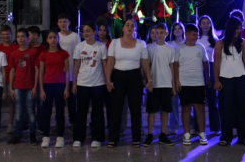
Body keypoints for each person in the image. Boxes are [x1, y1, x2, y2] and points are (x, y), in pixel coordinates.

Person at [106, 19, 152, 148]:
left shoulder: (141, 43)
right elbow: (110, 62)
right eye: (127, 25)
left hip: (135, 77)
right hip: (118, 77)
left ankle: (136, 138)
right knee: (116, 108)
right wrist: (108, 80)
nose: (130, 27)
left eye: (132, 25)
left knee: (135, 108)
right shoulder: (115, 43)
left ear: (135, 29)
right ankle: (113, 138)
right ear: (123, 28)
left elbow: (145, 63)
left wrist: (149, 80)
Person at [215, 16, 245, 146]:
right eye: (236, 28)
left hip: (240, 77)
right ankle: (226, 136)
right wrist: (216, 80)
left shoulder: (243, 43)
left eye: (240, 28)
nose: (238, 31)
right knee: (226, 107)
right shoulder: (220, 43)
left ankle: (244, 136)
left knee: (242, 107)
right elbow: (216, 63)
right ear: (230, 28)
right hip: (225, 78)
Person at [72, 22, 108, 148]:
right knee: (81, 112)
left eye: (88, 31)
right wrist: (74, 83)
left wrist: (108, 81)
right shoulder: (79, 47)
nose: (85, 33)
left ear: (94, 32)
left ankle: (97, 137)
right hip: (83, 83)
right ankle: (78, 138)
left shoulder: (101, 47)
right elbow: (76, 65)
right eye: (84, 31)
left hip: (98, 83)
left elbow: (105, 65)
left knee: (97, 111)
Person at [174, 24, 209, 145]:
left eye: (197, 35)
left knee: (200, 108)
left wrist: (208, 78)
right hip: (184, 82)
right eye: (193, 35)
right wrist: (176, 81)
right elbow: (175, 65)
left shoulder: (200, 47)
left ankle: (202, 134)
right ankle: (186, 134)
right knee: (186, 108)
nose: (195, 37)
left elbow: (205, 63)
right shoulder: (179, 48)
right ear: (187, 35)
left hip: (199, 82)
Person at [6, 28, 41, 145]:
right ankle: (18, 135)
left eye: (22, 36)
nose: (20, 38)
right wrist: (10, 87)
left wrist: (35, 86)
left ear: (27, 37)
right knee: (18, 111)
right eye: (18, 36)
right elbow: (12, 71)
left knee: (31, 111)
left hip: (30, 86)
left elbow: (37, 70)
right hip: (18, 86)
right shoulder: (14, 54)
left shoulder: (34, 52)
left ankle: (32, 135)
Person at [145, 23, 176, 146]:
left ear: (166, 33)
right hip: (154, 83)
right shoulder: (149, 48)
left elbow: (172, 67)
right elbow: (147, 65)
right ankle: (149, 134)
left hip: (166, 83)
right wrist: (147, 81)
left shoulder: (170, 49)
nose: (158, 35)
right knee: (152, 110)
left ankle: (163, 134)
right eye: (156, 33)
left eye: (161, 33)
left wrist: (173, 85)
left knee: (165, 110)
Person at [38, 30, 70, 148]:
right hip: (47, 85)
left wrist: (67, 88)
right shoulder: (43, 54)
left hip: (60, 85)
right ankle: (46, 136)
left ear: (58, 39)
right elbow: (41, 72)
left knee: (60, 111)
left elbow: (67, 72)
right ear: (47, 40)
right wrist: (41, 89)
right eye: (50, 38)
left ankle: (60, 136)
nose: (53, 40)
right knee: (46, 111)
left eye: (54, 37)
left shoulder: (63, 53)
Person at [196, 15, 220, 134]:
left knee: (212, 100)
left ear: (210, 25)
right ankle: (197, 127)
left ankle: (215, 127)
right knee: (197, 101)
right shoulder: (196, 39)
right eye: (203, 23)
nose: (205, 25)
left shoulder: (215, 40)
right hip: (198, 68)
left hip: (211, 68)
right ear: (200, 25)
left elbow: (217, 59)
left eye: (207, 23)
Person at [57, 13, 80, 128]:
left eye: (65, 22)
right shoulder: (56, 36)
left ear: (69, 23)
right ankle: (59, 125)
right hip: (58, 75)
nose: (63, 24)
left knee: (72, 102)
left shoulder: (75, 36)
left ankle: (73, 124)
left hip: (71, 75)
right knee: (59, 103)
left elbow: (78, 55)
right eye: (60, 22)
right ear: (57, 23)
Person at [0, 25, 18, 134]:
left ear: (11, 34)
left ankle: (10, 124)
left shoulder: (15, 47)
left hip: (12, 78)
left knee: (11, 100)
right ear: (1, 35)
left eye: (7, 34)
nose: (5, 36)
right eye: (3, 34)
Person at [167, 22, 185, 135]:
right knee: (173, 102)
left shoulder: (187, 43)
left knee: (187, 103)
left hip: (185, 75)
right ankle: (174, 126)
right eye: (175, 29)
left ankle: (191, 125)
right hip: (172, 75)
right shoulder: (169, 44)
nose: (177, 30)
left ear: (183, 30)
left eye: (179, 28)